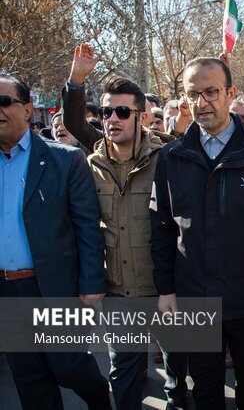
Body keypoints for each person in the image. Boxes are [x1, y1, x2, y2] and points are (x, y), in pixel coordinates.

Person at [150, 56, 244, 409]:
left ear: (231, 93)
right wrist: (166, 289)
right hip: (195, 298)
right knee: (205, 388)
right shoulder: (172, 157)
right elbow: (161, 228)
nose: (201, 103)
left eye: (211, 92)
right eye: (193, 94)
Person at [62, 43, 166, 410]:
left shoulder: (166, 157)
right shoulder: (92, 160)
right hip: (118, 291)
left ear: (143, 115)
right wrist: (76, 80)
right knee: (124, 372)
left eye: (123, 110)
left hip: (165, 290)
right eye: (107, 111)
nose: (113, 118)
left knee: (179, 374)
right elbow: (74, 122)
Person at [0, 73, 111, 410]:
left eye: (5, 102)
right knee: (29, 375)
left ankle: (100, 399)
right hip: (7, 290)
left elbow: (87, 226)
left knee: (69, 365)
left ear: (28, 108)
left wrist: (92, 281)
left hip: (52, 286)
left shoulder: (64, 159)